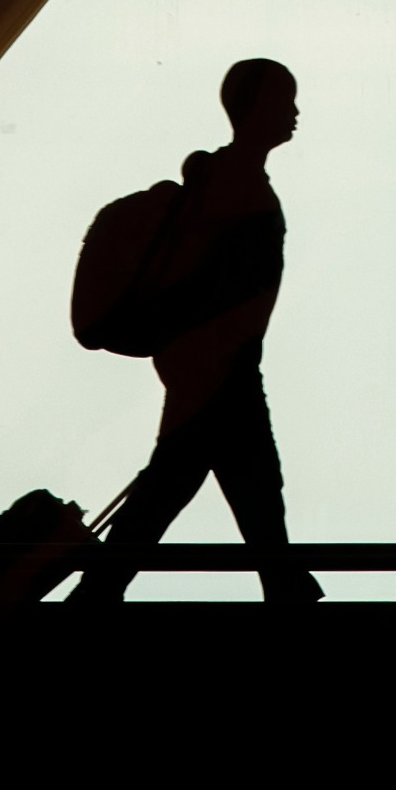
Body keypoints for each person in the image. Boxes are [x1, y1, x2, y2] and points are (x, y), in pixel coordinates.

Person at [70, 56, 324, 604]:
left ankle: (281, 583)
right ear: (255, 109)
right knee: (204, 482)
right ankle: (281, 586)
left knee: (219, 480)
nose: (295, 112)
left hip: (214, 362)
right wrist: (216, 359)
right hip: (220, 364)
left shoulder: (227, 179)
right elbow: (224, 287)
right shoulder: (239, 186)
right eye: (285, 100)